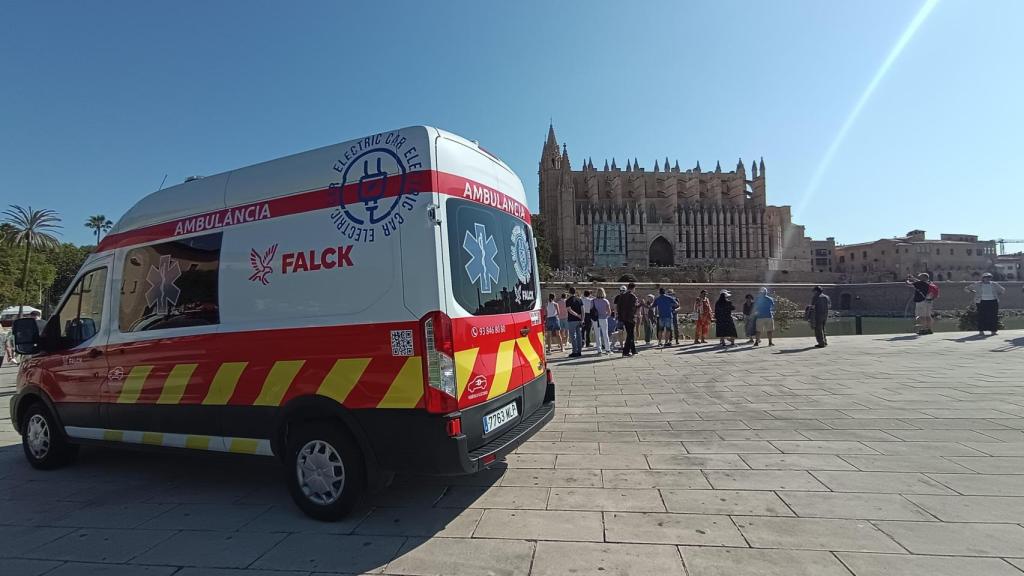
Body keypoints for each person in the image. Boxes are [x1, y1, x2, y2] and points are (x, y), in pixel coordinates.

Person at [614, 283, 640, 357]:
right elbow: (634, 307)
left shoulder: (622, 296)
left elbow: (618, 307)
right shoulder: (633, 296)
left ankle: (633, 350)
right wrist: (640, 304)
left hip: (623, 317)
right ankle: (625, 351)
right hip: (630, 318)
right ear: (633, 288)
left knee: (630, 334)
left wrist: (620, 316)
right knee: (630, 335)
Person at [565, 287, 584, 357]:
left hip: (572, 320)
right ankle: (579, 351)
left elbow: (569, 310)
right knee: (579, 336)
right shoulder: (579, 300)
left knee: (573, 336)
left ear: (569, 292)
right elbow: (583, 310)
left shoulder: (568, 300)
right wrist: (582, 319)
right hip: (579, 320)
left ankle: (574, 351)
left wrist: (577, 315)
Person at [592, 287, 612, 355]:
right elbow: (609, 312)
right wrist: (606, 316)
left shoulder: (593, 301)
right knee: (605, 334)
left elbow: (591, 311)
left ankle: (599, 350)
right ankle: (607, 349)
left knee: (597, 335)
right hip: (603, 319)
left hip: (595, 319)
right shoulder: (606, 301)